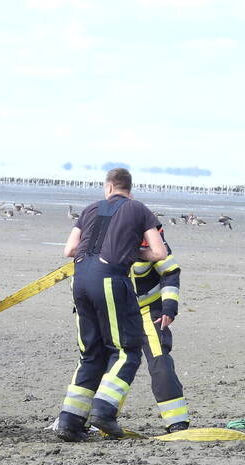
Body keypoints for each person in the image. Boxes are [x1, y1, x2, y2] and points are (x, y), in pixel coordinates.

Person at [55, 168, 167, 441]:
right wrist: (134, 251)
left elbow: (69, 250)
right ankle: (104, 411)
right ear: (130, 188)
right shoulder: (139, 210)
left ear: (108, 187)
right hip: (110, 280)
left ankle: (70, 420)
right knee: (127, 349)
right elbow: (159, 252)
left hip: (79, 280)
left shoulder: (90, 208)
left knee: (91, 353)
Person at [131, 227, 190, 432]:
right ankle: (98, 416)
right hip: (115, 311)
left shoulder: (149, 231)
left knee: (159, 360)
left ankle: (177, 421)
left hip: (150, 311)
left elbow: (170, 272)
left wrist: (169, 308)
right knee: (104, 363)